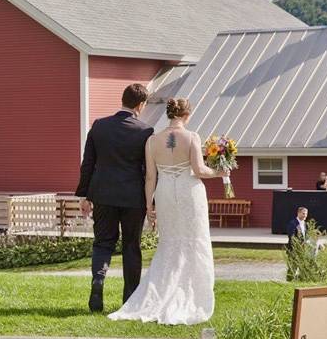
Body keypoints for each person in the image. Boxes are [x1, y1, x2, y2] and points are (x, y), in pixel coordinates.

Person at [106, 98, 225, 325]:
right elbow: (199, 170)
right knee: (194, 240)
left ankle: (159, 294)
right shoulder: (191, 137)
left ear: (170, 115)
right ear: (186, 115)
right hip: (189, 192)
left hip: (164, 194)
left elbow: (150, 177)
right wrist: (219, 172)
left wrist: (149, 206)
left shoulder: (151, 141)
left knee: (170, 243)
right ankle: (192, 294)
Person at [76, 83, 154, 312]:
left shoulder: (99, 126)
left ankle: (98, 282)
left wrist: (84, 195)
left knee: (102, 243)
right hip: (133, 198)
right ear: (141, 105)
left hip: (103, 194)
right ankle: (130, 299)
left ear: (122, 100)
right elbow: (149, 171)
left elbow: (88, 163)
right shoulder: (145, 131)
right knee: (131, 246)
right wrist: (152, 201)